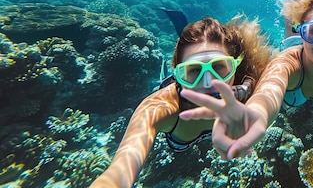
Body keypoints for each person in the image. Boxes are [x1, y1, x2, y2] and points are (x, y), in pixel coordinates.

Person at [179, 0, 313, 160]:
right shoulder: (287, 64)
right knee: (289, 35)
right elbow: (270, 88)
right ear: (302, 34)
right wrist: (257, 115)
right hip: (300, 80)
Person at [89, 16, 274, 188]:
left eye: (219, 67)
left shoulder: (247, 90)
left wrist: (260, 114)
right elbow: (121, 167)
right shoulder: (162, 107)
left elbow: (270, 93)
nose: (208, 83)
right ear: (179, 75)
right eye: (193, 71)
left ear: (234, 67)